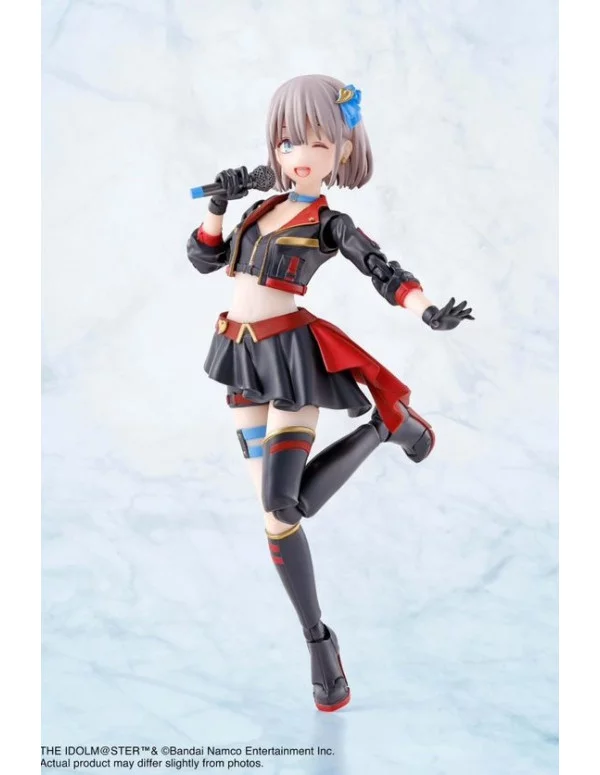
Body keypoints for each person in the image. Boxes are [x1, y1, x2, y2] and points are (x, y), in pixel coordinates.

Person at [187, 74, 474, 712]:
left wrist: (427, 309)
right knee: (275, 518)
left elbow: (382, 270)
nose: (300, 154)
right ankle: (319, 638)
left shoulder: (329, 222)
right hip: (238, 358)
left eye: (318, 141)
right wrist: (218, 205)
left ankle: (383, 426)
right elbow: (205, 260)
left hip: (291, 360)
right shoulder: (258, 209)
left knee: (282, 503)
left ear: (342, 149)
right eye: (289, 140)